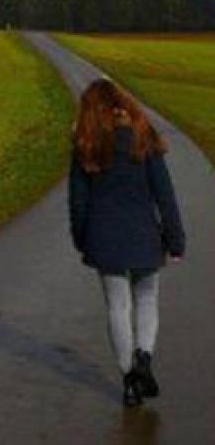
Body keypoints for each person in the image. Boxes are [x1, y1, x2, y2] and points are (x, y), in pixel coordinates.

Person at [67, 78, 186, 407]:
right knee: (147, 298)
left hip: (104, 239)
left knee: (117, 307)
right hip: (145, 236)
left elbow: (78, 203)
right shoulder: (142, 136)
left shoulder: (84, 144)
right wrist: (176, 240)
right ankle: (144, 359)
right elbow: (165, 195)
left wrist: (82, 239)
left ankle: (129, 379)